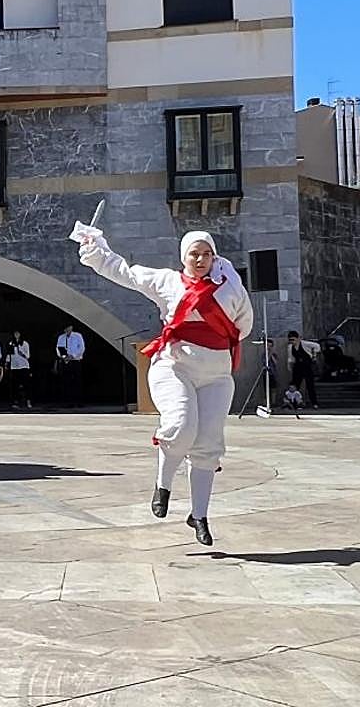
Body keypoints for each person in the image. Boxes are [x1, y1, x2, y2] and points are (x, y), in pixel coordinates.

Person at [78, 228, 253, 547]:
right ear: (183, 256)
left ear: (214, 256)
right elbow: (125, 272)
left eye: (206, 254)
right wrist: (95, 251)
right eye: (194, 254)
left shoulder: (231, 287)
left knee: (208, 443)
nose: (200, 259)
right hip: (175, 365)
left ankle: (199, 515)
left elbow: (244, 325)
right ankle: (163, 486)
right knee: (181, 425)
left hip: (216, 373)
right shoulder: (167, 281)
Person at [285, 331, 320, 409]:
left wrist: (314, 353)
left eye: (293, 339)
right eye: (290, 340)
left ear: (298, 339)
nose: (292, 341)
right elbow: (290, 358)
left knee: (310, 385)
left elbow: (317, 346)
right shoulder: (290, 347)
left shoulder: (305, 344)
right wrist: (290, 366)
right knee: (294, 385)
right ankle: (293, 402)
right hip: (297, 366)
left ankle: (314, 403)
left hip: (307, 366)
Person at [55, 324, 86, 403]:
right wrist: (63, 356)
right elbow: (58, 348)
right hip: (66, 361)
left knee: (77, 381)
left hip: (76, 360)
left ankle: (79, 401)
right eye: (65, 328)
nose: (67, 329)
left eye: (68, 327)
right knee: (67, 381)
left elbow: (82, 348)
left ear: (71, 327)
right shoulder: (61, 337)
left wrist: (73, 356)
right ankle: (69, 401)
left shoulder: (77, 336)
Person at [8, 331, 32, 410]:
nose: (16, 335)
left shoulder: (25, 343)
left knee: (26, 384)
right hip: (14, 366)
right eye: (15, 334)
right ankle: (16, 402)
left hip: (24, 366)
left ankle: (28, 401)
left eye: (18, 334)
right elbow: (9, 355)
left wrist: (22, 353)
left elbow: (28, 356)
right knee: (15, 385)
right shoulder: (11, 343)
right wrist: (7, 362)